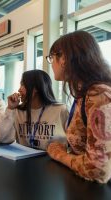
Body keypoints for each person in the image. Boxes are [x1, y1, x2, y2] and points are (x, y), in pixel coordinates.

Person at [46, 31, 111, 183]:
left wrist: (59, 154)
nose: (52, 64)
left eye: (51, 58)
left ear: (64, 58)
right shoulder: (84, 94)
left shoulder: (99, 94)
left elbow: (98, 170)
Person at [0, 70, 68, 150]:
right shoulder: (18, 111)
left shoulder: (60, 110)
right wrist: (10, 109)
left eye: (23, 85)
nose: (19, 90)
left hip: (53, 160)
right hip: (25, 159)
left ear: (36, 88)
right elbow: (2, 139)